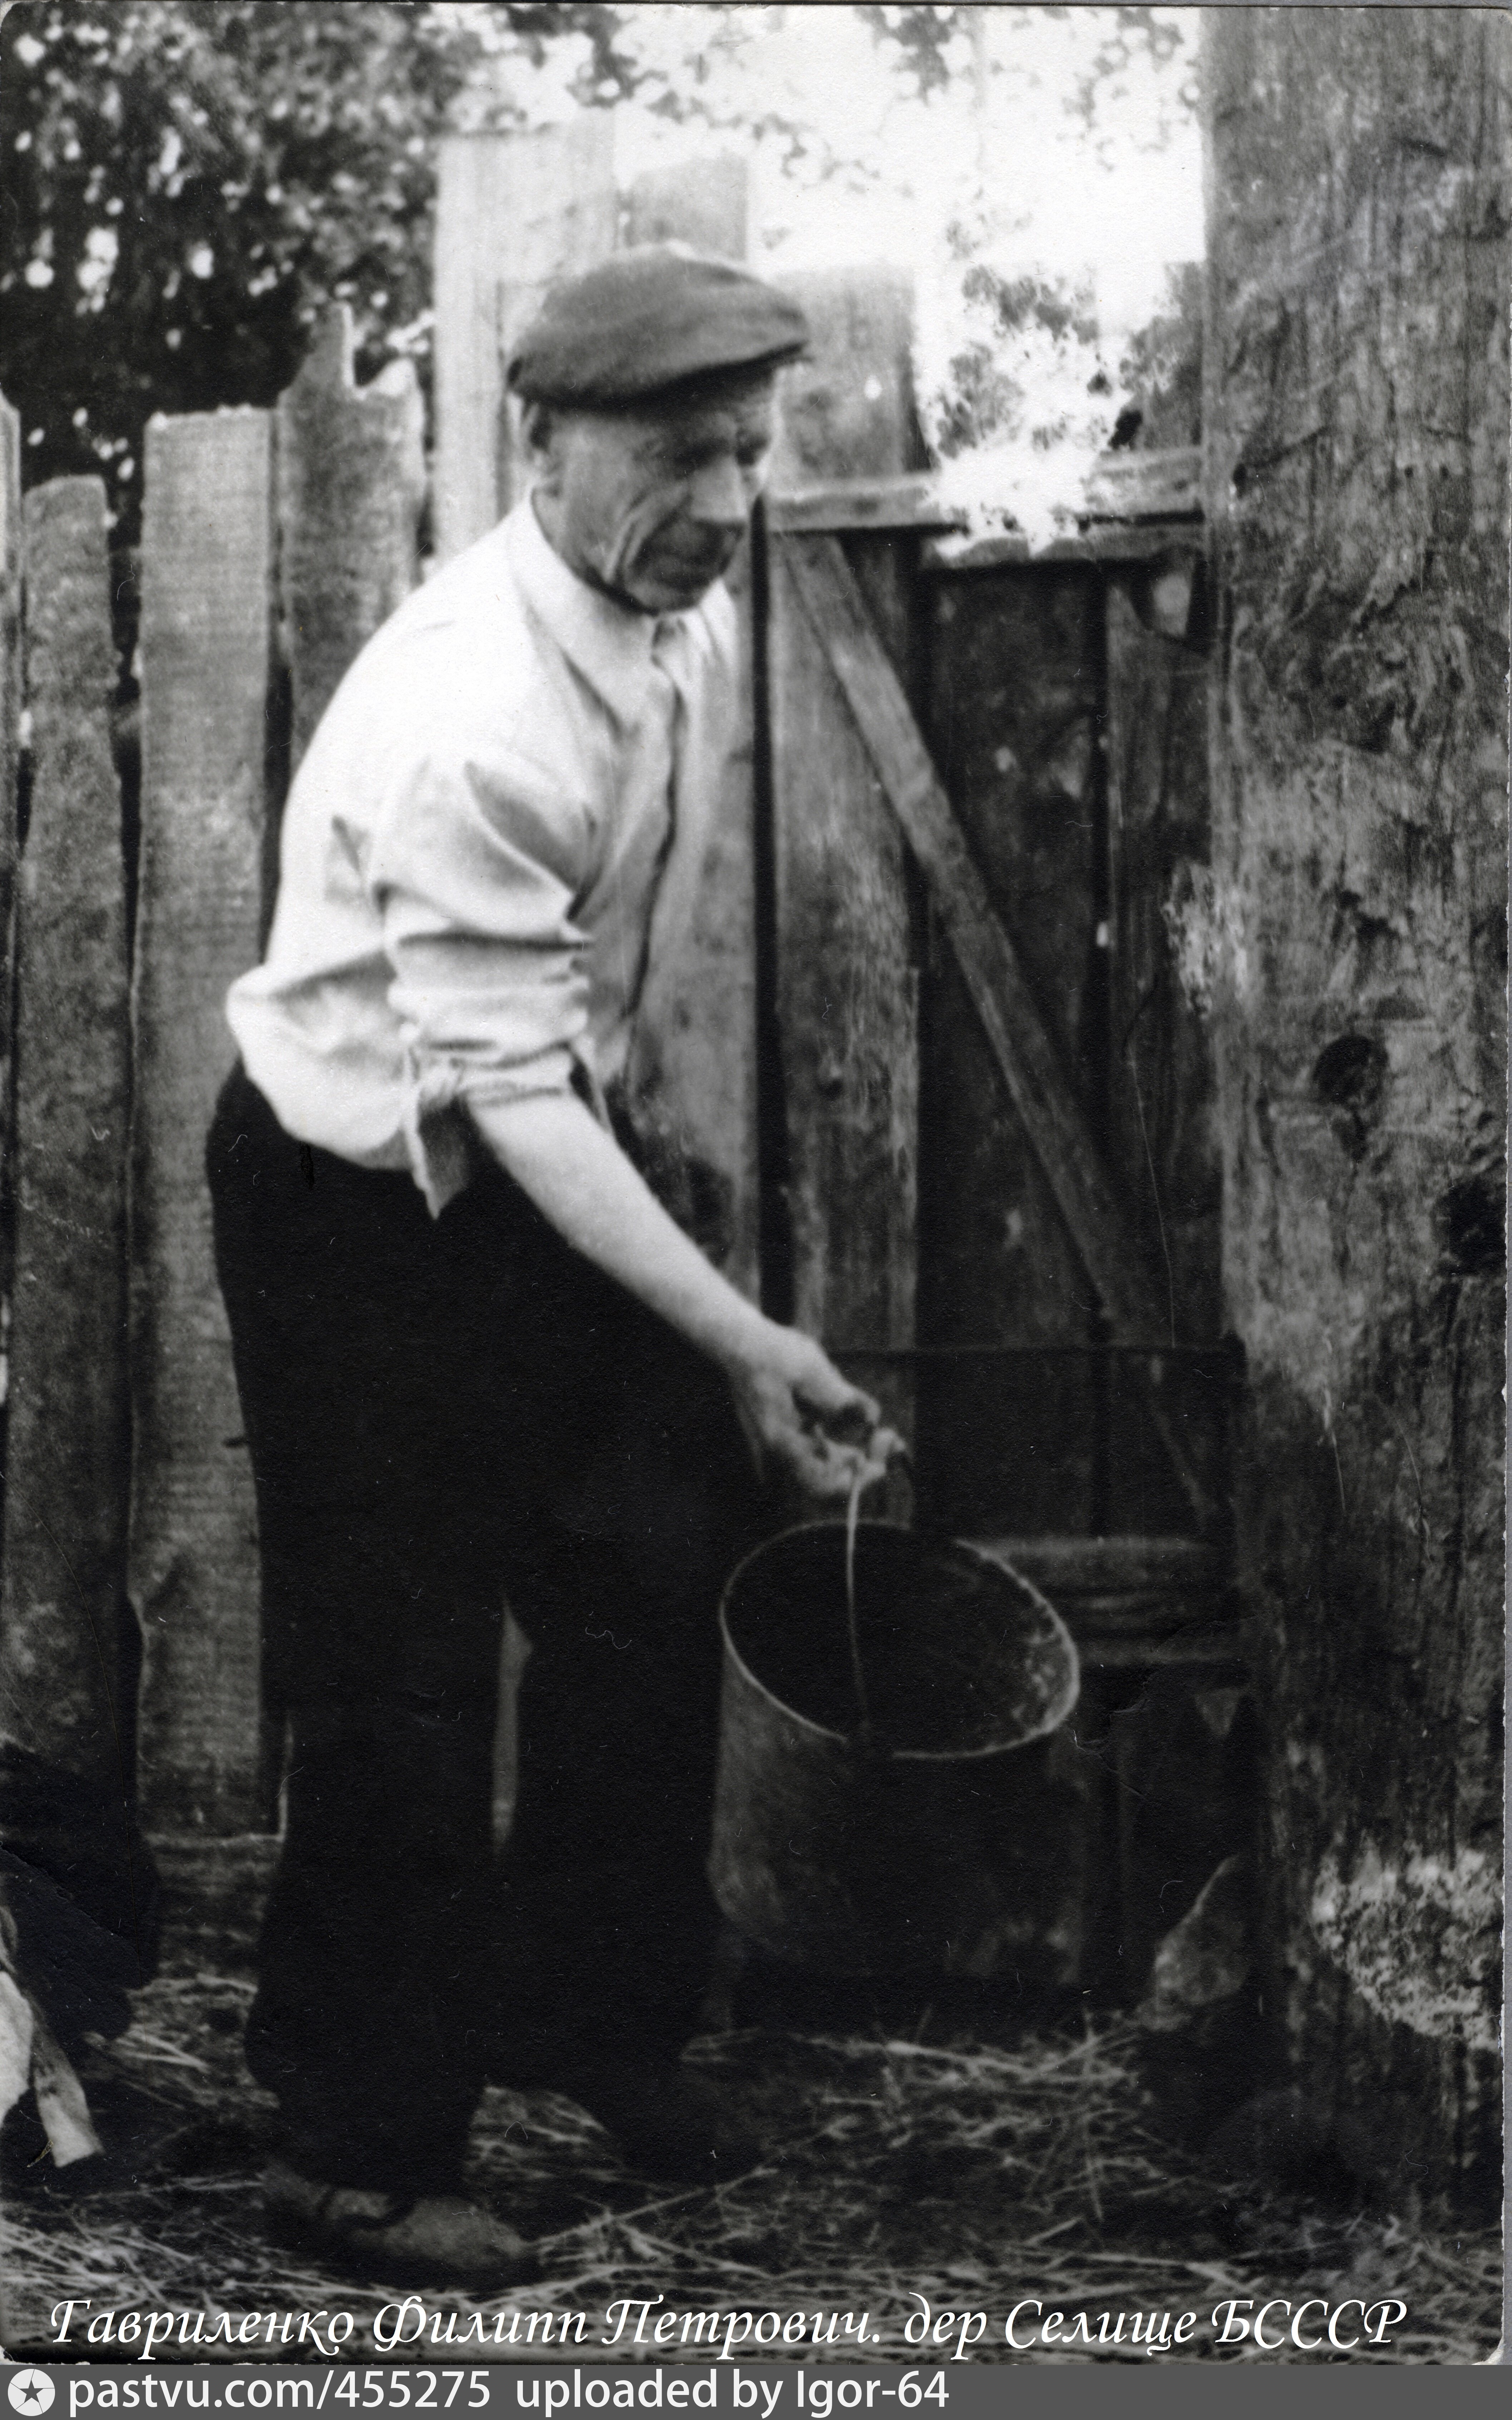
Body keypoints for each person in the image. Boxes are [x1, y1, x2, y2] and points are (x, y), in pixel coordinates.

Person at [206, 246, 897, 2287]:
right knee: (401, 1670)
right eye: (677, 454)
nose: (725, 501)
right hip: (354, 1195)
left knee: (647, 1573)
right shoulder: (469, 710)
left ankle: (593, 2018)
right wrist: (746, 1332)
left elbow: (570, 1012)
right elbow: (494, 1082)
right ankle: (351, 2147)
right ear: (542, 444)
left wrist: (653, 1189)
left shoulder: (671, 618)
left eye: (748, 452)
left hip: (523, 1150)